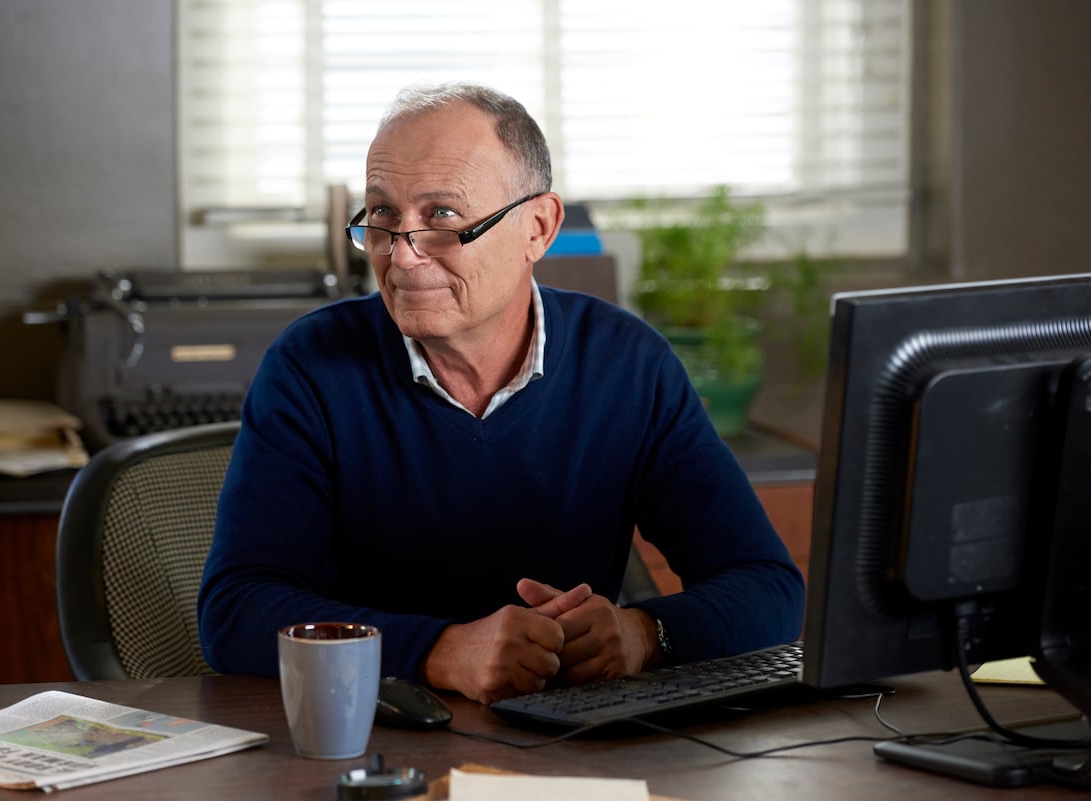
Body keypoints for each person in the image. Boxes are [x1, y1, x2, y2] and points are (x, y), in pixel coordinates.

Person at [197, 82, 805, 704]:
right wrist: (437, 651)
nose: (402, 258)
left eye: (442, 218)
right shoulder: (310, 368)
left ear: (537, 229)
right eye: (382, 217)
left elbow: (769, 590)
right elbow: (236, 612)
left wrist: (644, 634)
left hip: (571, 746)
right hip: (375, 738)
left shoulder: (627, 364)